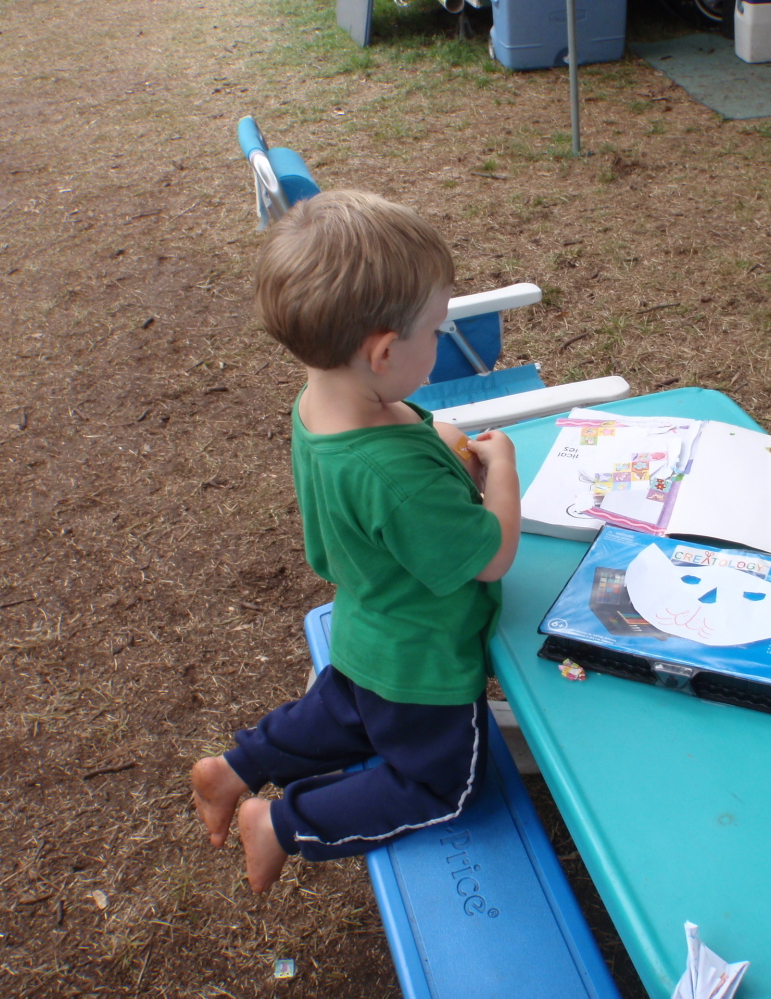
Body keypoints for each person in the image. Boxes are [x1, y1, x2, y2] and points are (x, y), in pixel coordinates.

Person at [190, 190, 520, 893]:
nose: (440, 342)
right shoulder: (395, 476)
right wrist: (503, 470)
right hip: (423, 661)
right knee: (442, 785)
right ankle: (280, 824)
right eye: (436, 330)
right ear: (384, 351)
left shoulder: (322, 405)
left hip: (367, 626)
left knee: (346, 713)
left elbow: (404, 445)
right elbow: (492, 554)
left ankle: (235, 767)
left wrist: (438, 447)